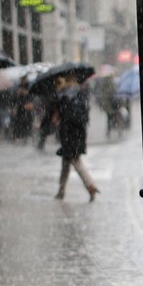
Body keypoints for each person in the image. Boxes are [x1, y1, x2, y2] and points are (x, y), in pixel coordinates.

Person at [53, 74, 99, 202]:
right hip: (79, 133)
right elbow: (84, 115)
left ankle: (90, 185)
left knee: (75, 160)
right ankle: (61, 189)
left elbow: (58, 117)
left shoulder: (63, 95)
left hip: (68, 134)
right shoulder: (80, 93)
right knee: (66, 162)